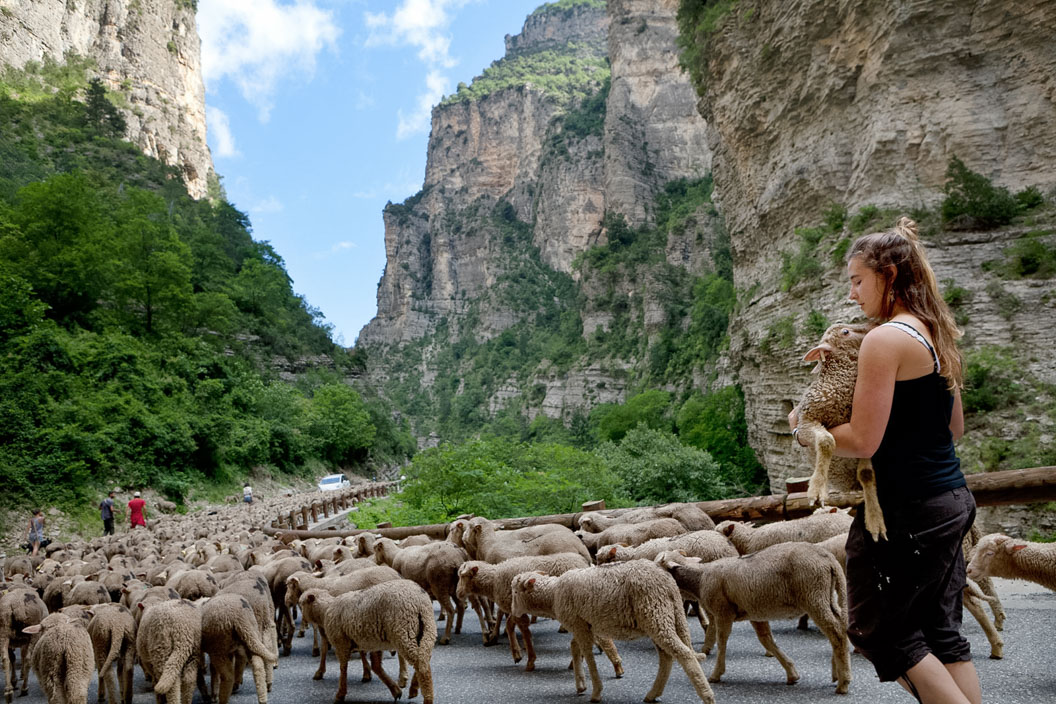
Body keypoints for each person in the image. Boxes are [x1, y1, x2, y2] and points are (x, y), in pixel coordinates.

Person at [789, 217, 978, 704]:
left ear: (889, 275)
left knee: (881, 633)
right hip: (951, 499)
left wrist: (805, 429)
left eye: (857, 280)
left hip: (907, 510)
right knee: (940, 632)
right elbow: (954, 429)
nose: (852, 293)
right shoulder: (934, 332)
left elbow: (862, 440)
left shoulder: (884, 340)